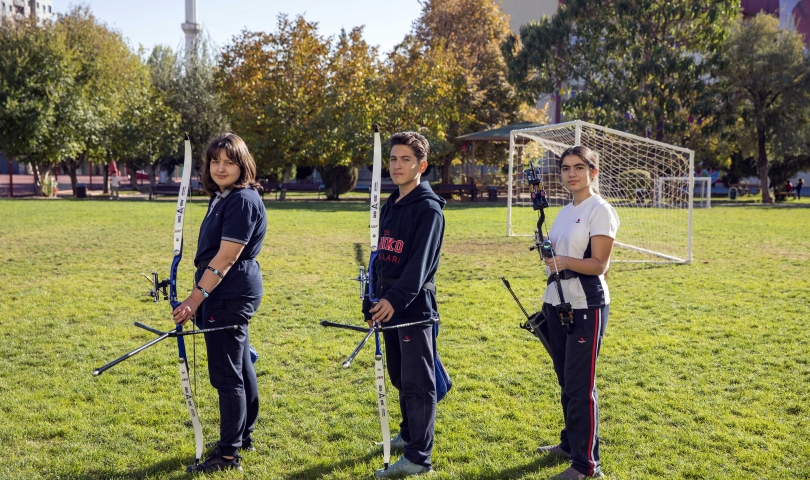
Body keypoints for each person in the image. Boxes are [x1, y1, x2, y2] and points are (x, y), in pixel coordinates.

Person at [172, 133, 267, 473]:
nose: (221, 168)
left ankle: (228, 456)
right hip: (228, 291)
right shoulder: (225, 197)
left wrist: (195, 298)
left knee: (227, 376)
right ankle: (242, 437)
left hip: (228, 292)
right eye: (215, 161)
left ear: (243, 165)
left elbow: (226, 257)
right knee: (240, 364)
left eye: (230, 162)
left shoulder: (241, 200)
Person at [363, 132, 446, 478]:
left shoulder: (428, 209)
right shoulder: (390, 203)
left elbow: (418, 266)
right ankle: (409, 432)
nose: (397, 166)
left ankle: (418, 457)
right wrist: (370, 301)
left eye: (405, 160)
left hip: (413, 311)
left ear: (421, 165)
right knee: (400, 376)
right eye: (393, 159)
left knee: (418, 384)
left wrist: (393, 301)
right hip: (387, 307)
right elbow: (380, 259)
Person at [534, 146, 619, 480]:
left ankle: (586, 466)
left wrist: (564, 262)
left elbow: (600, 264)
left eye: (579, 167)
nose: (571, 173)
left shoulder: (600, 210)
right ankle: (570, 445)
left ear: (593, 171)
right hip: (556, 302)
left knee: (580, 386)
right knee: (566, 381)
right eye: (566, 168)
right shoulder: (566, 210)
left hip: (586, 306)